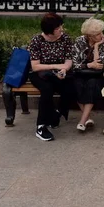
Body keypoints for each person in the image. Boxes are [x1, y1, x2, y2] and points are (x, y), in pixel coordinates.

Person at [28, 12, 75, 142]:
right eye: (58, 28)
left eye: (61, 26)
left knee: (70, 86)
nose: (61, 29)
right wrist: (55, 66)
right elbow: (36, 66)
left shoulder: (64, 38)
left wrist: (64, 69)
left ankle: (57, 114)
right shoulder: (37, 40)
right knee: (47, 89)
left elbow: (69, 60)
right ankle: (41, 126)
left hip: (59, 72)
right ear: (49, 31)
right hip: (40, 75)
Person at [72, 17, 104, 132]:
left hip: (96, 76)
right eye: (98, 34)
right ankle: (88, 117)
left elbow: (99, 65)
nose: (101, 35)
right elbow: (74, 64)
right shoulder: (79, 41)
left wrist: (97, 46)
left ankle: (82, 121)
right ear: (90, 36)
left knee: (92, 84)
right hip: (81, 74)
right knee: (76, 84)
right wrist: (89, 65)